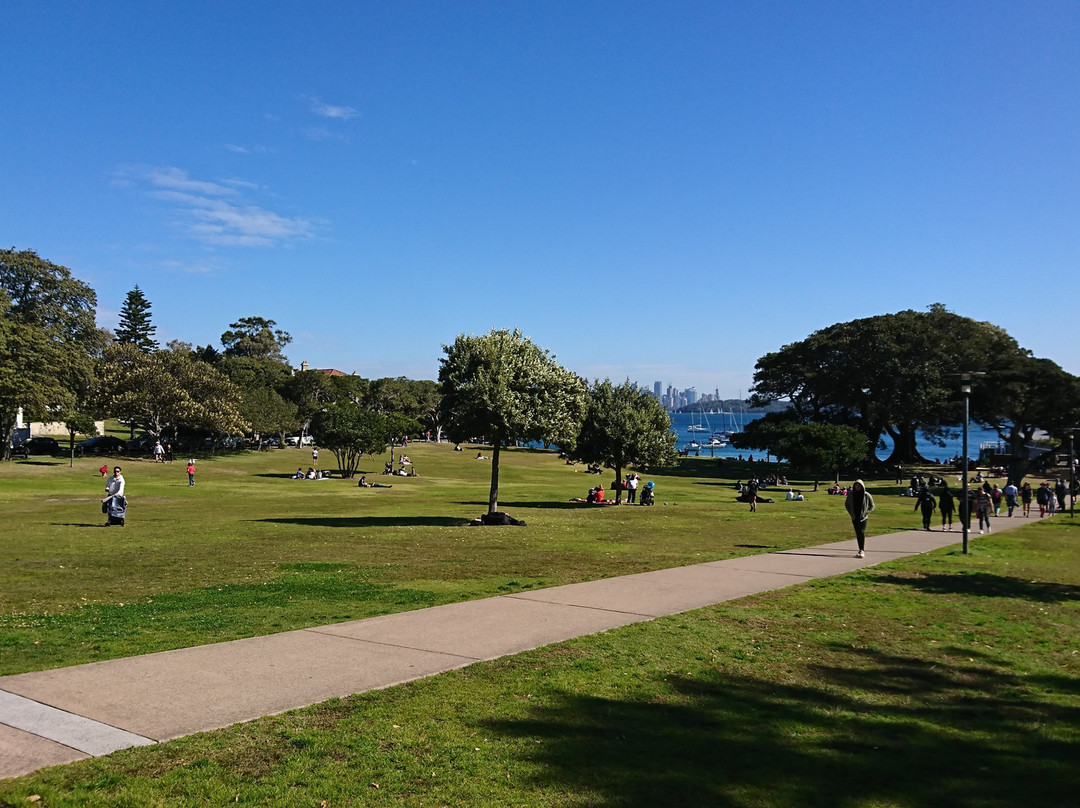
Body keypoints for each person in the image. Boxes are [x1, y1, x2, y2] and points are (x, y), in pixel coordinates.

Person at [844, 480, 875, 558]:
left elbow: (872, 506)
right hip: (855, 517)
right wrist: (851, 513)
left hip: (863, 518)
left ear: (862, 486)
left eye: (859, 485)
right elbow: (847, 504)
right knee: (858, 533)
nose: (857, 487)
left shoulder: (866, 495)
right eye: (856, 485)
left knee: (861, 532)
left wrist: (866, 512)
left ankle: (862, 550)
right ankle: (860, 549)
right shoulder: (851, 495)